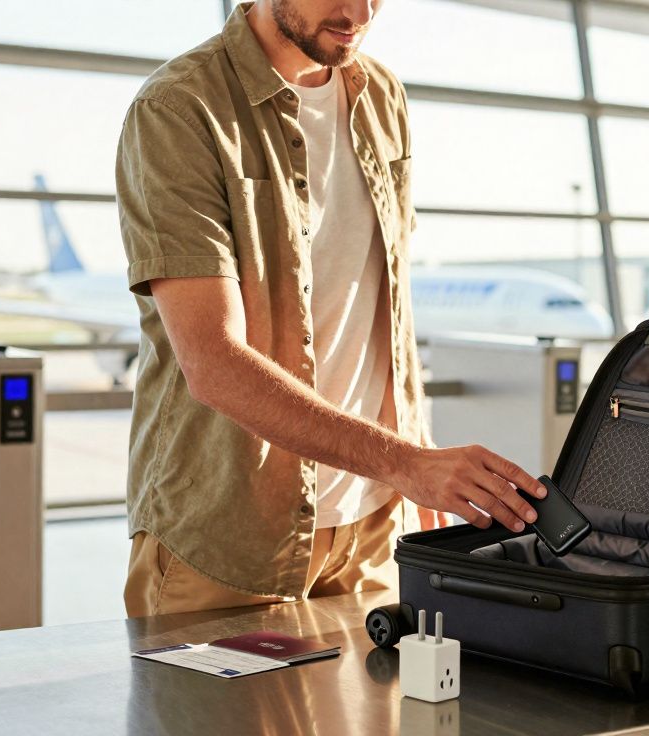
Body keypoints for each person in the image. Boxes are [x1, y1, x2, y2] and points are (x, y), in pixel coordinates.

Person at [114, 0, 544, 618]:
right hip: (229, 537)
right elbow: (212, 362)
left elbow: (384, 300)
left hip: (373, 525)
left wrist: (416, 449)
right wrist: (407, 462)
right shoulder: (180, 108)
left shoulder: (382, 96)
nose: (359, 11)